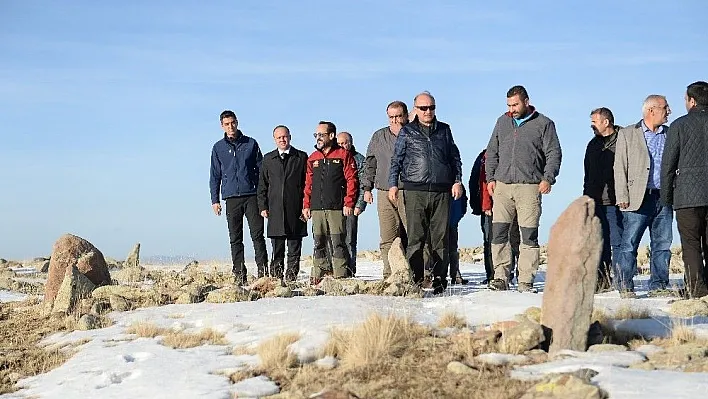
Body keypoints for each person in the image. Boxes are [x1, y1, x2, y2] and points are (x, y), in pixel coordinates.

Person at [485, 85, 562, 293]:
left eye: (515, 104)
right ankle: (501, 277)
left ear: (526, 102)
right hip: (502, 186)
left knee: (528, 235)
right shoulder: (502, 122)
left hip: (530, 187)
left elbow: (554, 153)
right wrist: (490, 178)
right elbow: (492, 151)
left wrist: (548, 178)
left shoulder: (544, 124)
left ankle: (526, 280)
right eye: (509, 105)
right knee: (499, 233)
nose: (512, 109)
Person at [389, 91, 463, 294]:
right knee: (415, 239)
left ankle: (440, 281)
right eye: (423, 108)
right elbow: (396, 160)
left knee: (440, 239)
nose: (428, 111)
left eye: (431, 107)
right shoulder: (407, 132)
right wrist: (393, 184)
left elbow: (455, 158)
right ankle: (416, 281)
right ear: (416, 110)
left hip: (441, 191)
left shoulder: (445, 130)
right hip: (414, 190)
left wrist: (457, 181)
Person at [614, 95, 673, 298]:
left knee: (663, 244)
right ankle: (625, 286)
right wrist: (621, 194)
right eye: (665, 107)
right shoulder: (628, 134)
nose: (669, 111)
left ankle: (658, 285)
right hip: (636, 197)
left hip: (664, 197)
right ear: (651, 110)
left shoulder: (670, 133)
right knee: (629, 244)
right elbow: (619, 166)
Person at [210, 110, 268, 283]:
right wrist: (215, 200)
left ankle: (263, 272)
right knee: (235, 238)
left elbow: (262, 171)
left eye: (233, 122)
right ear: (222, 126)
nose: (231, 126)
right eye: (227, 124)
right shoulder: (218, 148)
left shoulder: (251, 143)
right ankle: (239, 275)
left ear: (237, 122)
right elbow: (215, 175)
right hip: (231, 197)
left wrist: (262, 196)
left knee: (257, 235)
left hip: (252, 196)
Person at [661, 81, 708, 299]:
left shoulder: (680, 125)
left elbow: (668, 164)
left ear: (691, 100)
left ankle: (696, 289)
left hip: (688, 195)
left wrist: (666, 197)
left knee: (690, 244)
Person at [302, 121, 359, 282]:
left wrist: (349, 202)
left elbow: (351, 179)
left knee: (337, 241)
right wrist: (306, 205)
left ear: (331, 135)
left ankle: (341, 275)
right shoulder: (313, 158)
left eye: (321, 135)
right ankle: (319, 275)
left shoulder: (343, 155)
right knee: (318, 242)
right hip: (317, 208)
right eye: (316, 135)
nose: (318, 138)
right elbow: (308, 184)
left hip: (336, 207)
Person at [362, 101, 409, 279]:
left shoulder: (414, 133)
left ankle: (413, 273)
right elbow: (370, 163)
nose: (395, 120)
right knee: (388, 236)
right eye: (391, 117)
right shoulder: (379, 136)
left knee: (411, 235)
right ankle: (390, 274)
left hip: (408, 191)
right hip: (383, 190)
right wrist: (367, 188)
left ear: (405, 115)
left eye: (398, 116)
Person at [257, 125, 309, 282]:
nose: (282, 139)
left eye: (284, 136)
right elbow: (262, 185)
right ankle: (277, 279)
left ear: (290, 137)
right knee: (277, 249)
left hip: (296, 210)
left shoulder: (301, 157)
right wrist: (263, 206)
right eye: (279, 137)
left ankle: (291, 279)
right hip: (275, 210)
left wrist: (306, 206)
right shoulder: (268, 159)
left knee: (294, 249)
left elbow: (307, 184)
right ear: (274, 139)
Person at [583, 107, 624, 293]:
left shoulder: (624, 141)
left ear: (606, 122)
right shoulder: (592, 145)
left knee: (619, 243)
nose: (591, 125)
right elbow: (588, 175)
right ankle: (603, 281)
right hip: (597, 202)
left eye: (594, 122)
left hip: (618, 201)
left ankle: (622, 281)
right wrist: (587, 200)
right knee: (599, 244)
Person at [469, 149, 520, 285]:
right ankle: (493, 275)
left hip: (508, 204)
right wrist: (482, 205)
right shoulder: (484, 156)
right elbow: (477, 181)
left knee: (512, 239)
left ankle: (512, 274)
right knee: (490, 240)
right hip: (489, 206)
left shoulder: (512, 153)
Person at [335, 132, 367, 276]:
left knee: (349, 239)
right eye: (339, 143)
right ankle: (336, 269)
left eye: (344, 143)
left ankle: (349, 270)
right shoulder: (333, 158)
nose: (342, 146)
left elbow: (363, 185)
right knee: (334, 239)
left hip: (352, 206)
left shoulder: (359, 159)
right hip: (334, 205)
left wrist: (360, 205)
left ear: (350, 143)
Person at [448, 185, 469, 285]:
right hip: (437, 222)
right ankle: (430, 275)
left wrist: (458, 216)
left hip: (452, 221)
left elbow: (463, 200)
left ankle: (455, 275)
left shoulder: (457, 183)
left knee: (453, 249)